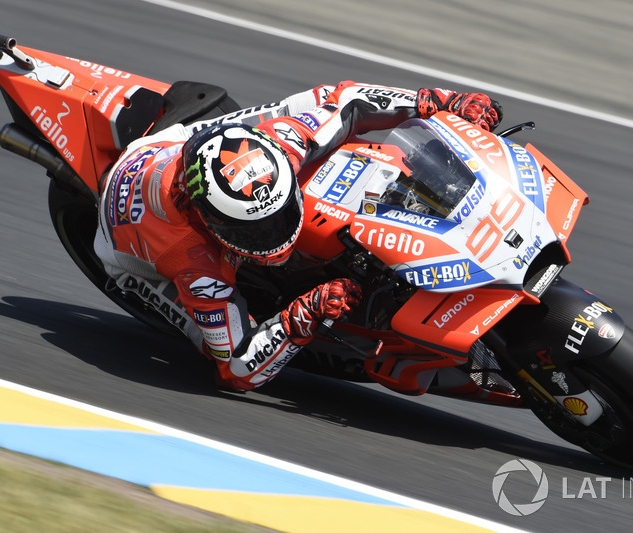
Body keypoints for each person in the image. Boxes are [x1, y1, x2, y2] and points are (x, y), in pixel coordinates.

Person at [94, 81, 502, 391]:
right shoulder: (193, 262)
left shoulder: (280, 143)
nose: (276, 236)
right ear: (210, 222)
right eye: (252, 230)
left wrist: (440, 103)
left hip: (172, 144)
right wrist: (300, 317)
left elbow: (349, 100)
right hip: (124, 249)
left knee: (318, 100)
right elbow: (237, 369)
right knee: (210, 342)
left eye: (277, 215)